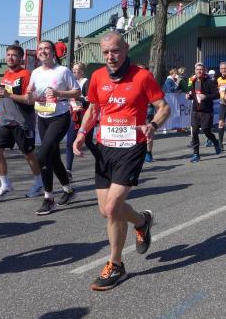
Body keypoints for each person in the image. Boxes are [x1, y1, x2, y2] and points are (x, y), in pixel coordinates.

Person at [73, 32, 170, 291]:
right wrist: (81, 134)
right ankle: (141, 221)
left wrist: (152, 125)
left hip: (131, 146)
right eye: (106, 52)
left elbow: (164, 107)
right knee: (105, 210)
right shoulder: (97, 77)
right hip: (104, 148)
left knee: (113, 207)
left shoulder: (142, 76)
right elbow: (93, 109)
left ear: (126, 48)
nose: (110, 56)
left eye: (115, 51)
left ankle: (116, 264)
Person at [26, 40, 81, 215]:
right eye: (40, 49)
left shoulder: (63, 71)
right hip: (42, 117)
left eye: (47, 48)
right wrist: (30, 94)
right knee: (53, 156)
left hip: (60, 117)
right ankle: (69, 191)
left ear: (53, 52)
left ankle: (48, 198)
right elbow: (31, 99)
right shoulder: (35, 72)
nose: (43, 51)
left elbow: (77, 92)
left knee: (42, 155)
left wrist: (59, 93)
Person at [0, 45, 44, 202]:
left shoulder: (26, 75)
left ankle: (39, 183)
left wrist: (9, 94)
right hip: (5, 120)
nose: (10, 58)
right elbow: (4, 94)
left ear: (21, 58)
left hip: (22, 122)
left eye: (14, 55)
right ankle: (5, 184)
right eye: (8, 55)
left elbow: (29, 100)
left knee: (28, 154)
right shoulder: (6, 74)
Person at [186, 62, 220, 162]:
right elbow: (193, 94)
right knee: (194, 132)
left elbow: (217, 95)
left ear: (204, 71)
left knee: (206, 131)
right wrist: (189, 96)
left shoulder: (209, 82)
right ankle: (196, 154)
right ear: (195, 71)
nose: (199, 71)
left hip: (206, 111)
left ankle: (215, 141)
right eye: (197, 70)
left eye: (201, 69)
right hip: (195, 111)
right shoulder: (192, 81)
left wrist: (206, 96)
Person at [65, 62, 94, 175]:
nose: (74, 71)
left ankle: (102, 161)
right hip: (73, 115)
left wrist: (76, 97)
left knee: (88, 142)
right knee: (69, 143)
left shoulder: (86, 82)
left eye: (77, 70)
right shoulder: (70, 83)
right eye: (73, 69)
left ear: (82, 72)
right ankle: (68, 170)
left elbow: (89, 100)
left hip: (84, 115)